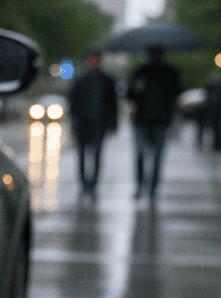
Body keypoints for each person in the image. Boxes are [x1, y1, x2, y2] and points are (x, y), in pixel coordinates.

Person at [127, 46, 183, 200]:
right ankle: (140, 185)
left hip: (162, 120)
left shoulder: (171, 73)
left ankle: (152, 190)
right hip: (142, 121)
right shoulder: (140, 72)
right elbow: (130, 95)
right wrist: (136, 88)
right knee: (140, 155)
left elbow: (177, 94)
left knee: (158, 158)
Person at [69, 46, 118, 194]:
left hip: (99, 123)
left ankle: (93, 184)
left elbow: (112, 104)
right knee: (82, 156)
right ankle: (84, 184)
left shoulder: (107, 81)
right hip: (83, 123)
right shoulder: (79, 80)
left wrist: (112, 124)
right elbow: (74, 102)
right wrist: (73, 122)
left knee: (97, 155)